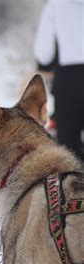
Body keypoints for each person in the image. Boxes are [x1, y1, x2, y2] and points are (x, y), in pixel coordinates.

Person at [34, 0, 84, 161]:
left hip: (68, 80)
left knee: (69, 150)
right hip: (68, 78)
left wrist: (45, 65)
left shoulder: (56, 5)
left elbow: (44, 52)